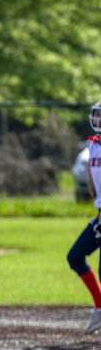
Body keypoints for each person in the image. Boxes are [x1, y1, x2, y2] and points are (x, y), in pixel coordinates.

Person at [67, 103, 101, 334]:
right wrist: (90, 179)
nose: (98, 119)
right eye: (96, 115)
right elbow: (92, 168)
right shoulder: (93, 143)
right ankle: (99, 305)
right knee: (75, 257)